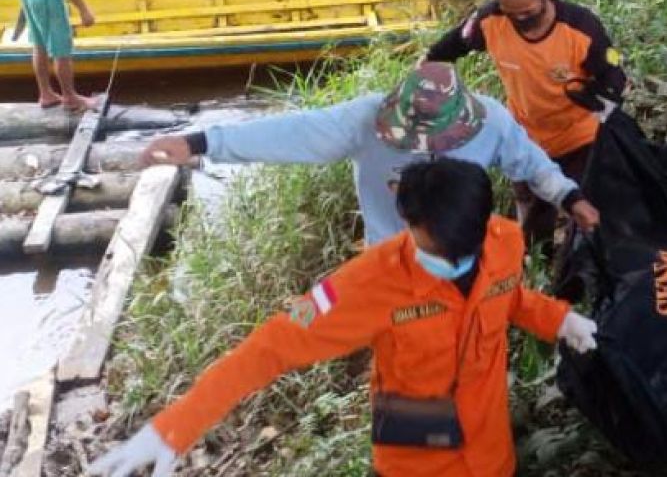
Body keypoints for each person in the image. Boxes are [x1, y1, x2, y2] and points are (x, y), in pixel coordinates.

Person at [87, 158, 599, 477]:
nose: (449, 264)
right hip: (416, 455)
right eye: (434, 251)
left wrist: (558, 320)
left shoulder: (505, 241)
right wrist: (178, 425)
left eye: (461, 253)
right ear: (408, 222)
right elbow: (274, 345)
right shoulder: (363, 284)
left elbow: (509, 299)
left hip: (489, 450)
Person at [139, 61, 599, 245]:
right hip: (391, 257)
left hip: (464, 253)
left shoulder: (492, 120)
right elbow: (290, 133)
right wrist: (200, 143)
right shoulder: (363, 121)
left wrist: (572, 199)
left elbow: (533, 164)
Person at [427, 0, 625, 244]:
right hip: (523, 140)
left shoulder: (580, 27)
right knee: (532, 229)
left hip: (579, 140)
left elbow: (616, 78)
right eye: (512, 14)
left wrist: (599, 104)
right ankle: (535, 267)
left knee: (585, 219)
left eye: (529, 13)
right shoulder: (488, 21)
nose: (520, 20)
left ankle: (580, 277)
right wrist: (426, 86)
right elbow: (445, 50)